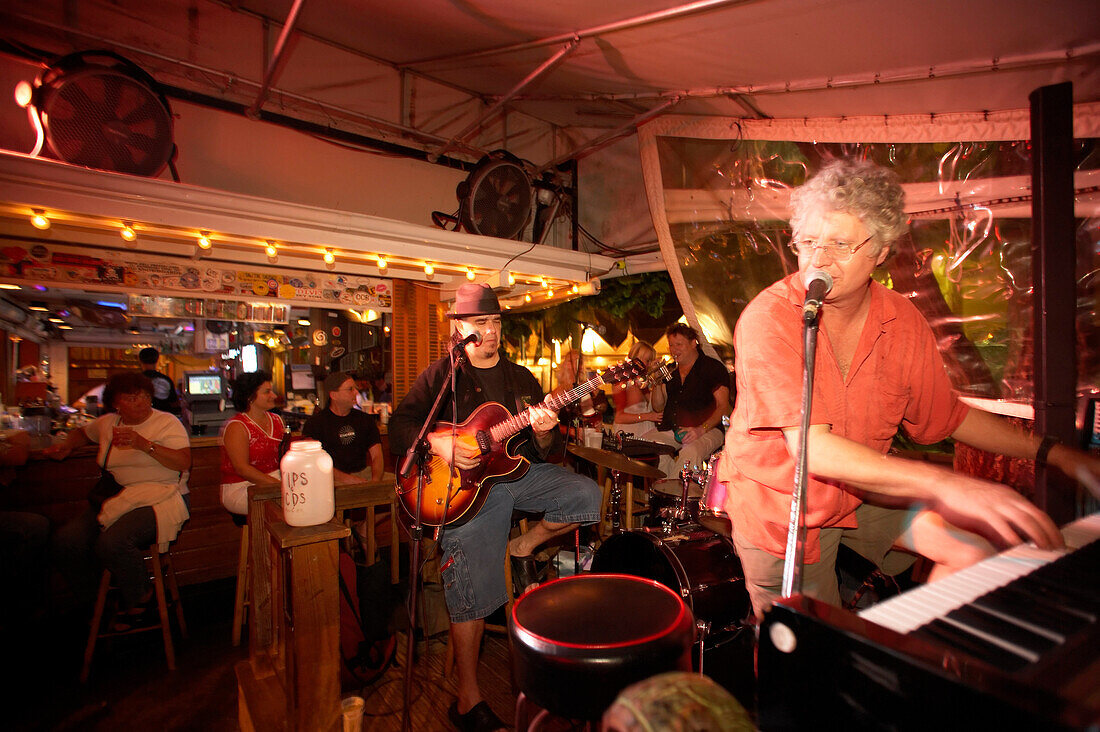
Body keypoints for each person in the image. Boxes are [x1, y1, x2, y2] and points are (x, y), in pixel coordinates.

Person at [719, 157, 1100, 619]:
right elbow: (814, 451)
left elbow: (950, 417)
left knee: (972, 551)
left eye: (840, 243)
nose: (818, 259)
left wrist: (1053, 453)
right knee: (813, 652)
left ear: (881, 250)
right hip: (782, 510)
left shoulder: (902, 322)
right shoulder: (769, 319)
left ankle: (923, 664)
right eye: (808, 242)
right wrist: (948, 484)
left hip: (859, 493)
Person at [390, 282, 602, 732]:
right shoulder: (442, 376)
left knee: (587, 495)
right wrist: (440, 442)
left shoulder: (521, 380)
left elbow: (542, 452)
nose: (490, 331)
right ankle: (468, 700)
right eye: (480, 323)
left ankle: (524, 545)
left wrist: (545, 430)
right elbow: (401, 425)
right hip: (465, 494)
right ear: (461, 328)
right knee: (470, 575)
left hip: (515, 478)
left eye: (496, 322)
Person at [49, 372, 191, 629]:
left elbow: (183, 462)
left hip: (161, 496)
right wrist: (67, 446)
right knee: (66, 542)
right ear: (116, 402)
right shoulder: (106, 424)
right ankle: (99, 606)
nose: (142, 403)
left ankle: (143, 598)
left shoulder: (167, 423)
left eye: (146, 396)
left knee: (112, 542)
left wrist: (144, 444)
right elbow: (82, 433)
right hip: (116, 497)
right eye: (132, 398)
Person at [639, 323, 731, 477]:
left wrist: (701, 429)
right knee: (644, 446)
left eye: (679, 344)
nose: (674, 350)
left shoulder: (713, 368)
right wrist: (657, 382)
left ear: (694, 343)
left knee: (689, 453)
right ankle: (664, 490)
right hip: (673, 428)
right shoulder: (670, 371)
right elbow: (658, 407)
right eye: (671, 345)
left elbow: (723, 407)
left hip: (708, 428)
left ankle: (676, 495)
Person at [220, 371, 285, 516]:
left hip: (273, 480)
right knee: (290, 504)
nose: (273, 395)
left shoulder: (277, 420)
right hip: (241, 486)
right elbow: (242, 469)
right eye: (267, 392)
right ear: (250, 397)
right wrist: (280, 486)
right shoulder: (237, 426)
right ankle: (268, 538)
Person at [304, 371, 384, 484]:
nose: (356, 392)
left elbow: (377, 455)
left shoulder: (365, 420)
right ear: (333, 395)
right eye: (350, 389)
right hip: (331, 478)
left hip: (362, 474)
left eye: (355, 388)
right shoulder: (315, 424)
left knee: (395, 485)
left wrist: (376, 480)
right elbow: (314, 462)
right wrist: (349, 480)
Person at [611, 340, 660, 437]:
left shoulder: (645, 381)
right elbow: (619, 417)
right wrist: (648, 416)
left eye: (650, 361)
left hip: (646, 431)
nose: (649, 364)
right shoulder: (622, 381)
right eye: (647, 360)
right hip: (628, 433)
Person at [139, 347, 182, 415]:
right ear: (157, 360)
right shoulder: (166, 380)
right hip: (162, 417)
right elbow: (174, 402)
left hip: (140, 416)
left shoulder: (135, 380)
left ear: (140, 360)